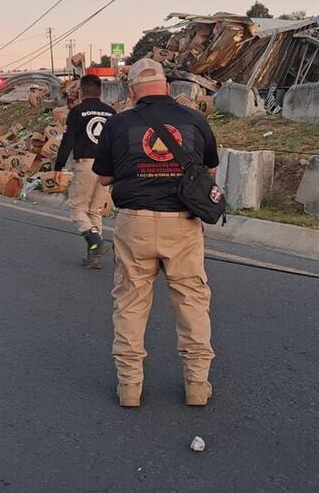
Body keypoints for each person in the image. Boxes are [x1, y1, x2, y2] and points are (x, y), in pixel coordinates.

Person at [93, 58, 220, 409]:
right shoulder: (195, 119)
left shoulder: (118, 125)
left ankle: (129, 388)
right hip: (182, 222)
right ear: (166, 87)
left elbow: (103, 178)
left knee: (131, 302)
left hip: (134, 223)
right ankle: (196, 385)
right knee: (192, 301)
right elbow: (208, 168)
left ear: (133, 91)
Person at [54, 74, 116, 269]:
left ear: (81, 91)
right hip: (107, 166)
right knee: (95, 209)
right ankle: (94, 255)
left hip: (87, 164)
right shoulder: (111, 112)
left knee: (77, 208)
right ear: (100, 91)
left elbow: (68, 141)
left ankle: (96, 242)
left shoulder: (77, 112)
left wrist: (58, 166)